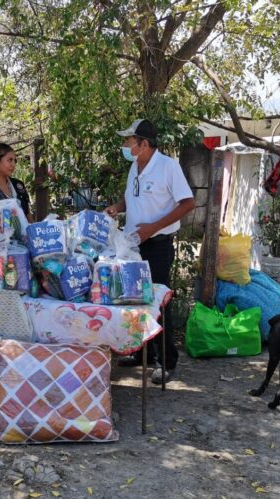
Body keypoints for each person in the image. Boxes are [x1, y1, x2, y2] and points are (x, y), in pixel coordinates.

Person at [105, 118, 195, 384]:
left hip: (157, 245)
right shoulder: (135, 166)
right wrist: (117, 207)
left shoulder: (168, 167)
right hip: (134, 244)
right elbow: (131, 198)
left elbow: (188, 203)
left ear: (143, 144)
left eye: (128, 141)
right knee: (133, 300)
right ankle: (140, 352)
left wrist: (152, 228)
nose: (125, 145)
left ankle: (166, 361)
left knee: (157, 302)